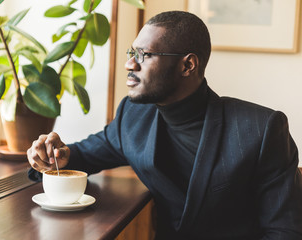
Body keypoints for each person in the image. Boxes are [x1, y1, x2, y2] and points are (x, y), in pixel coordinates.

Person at [27, 11, 302, 239]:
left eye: (143, 55)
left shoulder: (262, 129)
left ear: (188, 65)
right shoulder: (133, 115)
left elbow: (283, 231)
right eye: (129, 52)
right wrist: (54, 154)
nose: (128, 64)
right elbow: (84, 155)